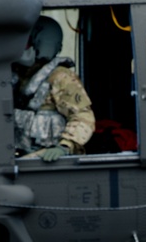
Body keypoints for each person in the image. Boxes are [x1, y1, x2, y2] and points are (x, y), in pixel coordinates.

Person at [12, 15, 95, 161]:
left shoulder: (60, 77)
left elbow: (83, 117)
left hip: (49, 160)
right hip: (22, 157)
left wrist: (64, 146)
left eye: (25, 42)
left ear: (39, 43)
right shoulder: (16, 76)